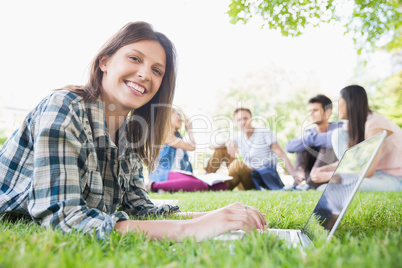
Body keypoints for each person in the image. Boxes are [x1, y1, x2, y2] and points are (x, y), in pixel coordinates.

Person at [0, 22, 267, 241]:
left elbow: (141, 210)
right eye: (134, 58)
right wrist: (190, 230)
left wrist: (220, 216)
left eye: (156, 70)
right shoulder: (64, 107)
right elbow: (64, 219)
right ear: (105, 62)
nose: (144, 74)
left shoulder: (131, 133)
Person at [310, 85, 402, 191]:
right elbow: (353, 162)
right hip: (375, 175)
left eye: (339, 102)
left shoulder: (375, 124)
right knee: (338, 133)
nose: (337, 107)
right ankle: (344, 181)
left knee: (333, 188)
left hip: (394, 178)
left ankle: (344, 180)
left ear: (349, 102)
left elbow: (368, 170)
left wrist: (330, 176)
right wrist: (326, 169)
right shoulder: (352, 127)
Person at [205, 108, 294, 190]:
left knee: (238, 165)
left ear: (251, 119)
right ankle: (204, 182)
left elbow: (282, 154)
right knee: (221, 150)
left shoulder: (264, 132)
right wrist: (227, 141)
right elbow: (211, 145)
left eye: (245, 118)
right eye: (239, 120)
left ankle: (219, 188)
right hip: (244, 176)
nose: (243, 122)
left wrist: (296, 177)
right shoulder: (239, 136)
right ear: (236, 122)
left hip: (259, 178)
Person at [147, 108, 227, 192]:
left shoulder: (178, 137)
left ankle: (169, 187)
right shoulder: (163, 134)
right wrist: (190, 130)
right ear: (168, 116)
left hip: (179, 173)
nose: (181, 119)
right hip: (164, 174)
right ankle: (153, 186)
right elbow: (192, 147)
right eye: (178, 115)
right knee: (199, 185)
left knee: (222, 185)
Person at [285, 94, 343, 189]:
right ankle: (296, 184)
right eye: (310, 111)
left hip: (329, 175)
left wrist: (309, 139)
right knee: (303, 147)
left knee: (326, 146)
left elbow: (331, 141)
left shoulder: (339, 127)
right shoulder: (309, 132)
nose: (311, 114)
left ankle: (309, 185)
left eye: (315, 110)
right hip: (310, 175)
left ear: (328, 112)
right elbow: (289, 147)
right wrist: (310, 139)